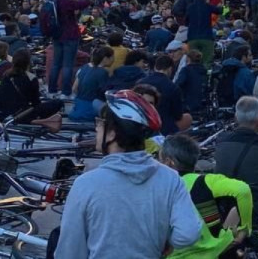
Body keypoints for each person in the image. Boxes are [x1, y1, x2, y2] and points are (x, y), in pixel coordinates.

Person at [55, 90, 202, 259]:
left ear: (112, 133)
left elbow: (69, 251)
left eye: (100, 123)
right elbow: (188, 234)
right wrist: (165, 239)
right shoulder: (170, 178)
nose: (96, 127)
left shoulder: (86, 184)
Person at [161, 134, 253, 259]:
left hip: (174, 255)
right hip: (214, 251)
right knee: (234, 212)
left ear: (168, 162)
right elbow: (243, 190)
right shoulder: (207, 181)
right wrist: (244, 229)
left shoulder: (158, 188)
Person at [47, 0, 93, 99]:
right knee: (67, 65)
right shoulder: (65, 1)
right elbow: (85, 3)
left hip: (57, 35)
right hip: (70, 35)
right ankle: (65, 93)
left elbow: (71, 0)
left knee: (56, 64)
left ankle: (51, 90)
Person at [0, 48, 63, 122]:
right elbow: (35, 102)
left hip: (6, 114)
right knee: (58, 102)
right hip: (23, 115)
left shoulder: (6, 75)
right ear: (28, 62)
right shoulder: (31, 78)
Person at [138, 53, 192, 135]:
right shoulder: (173, 87)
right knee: (188, 118)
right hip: (164, 127)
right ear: (170, 69)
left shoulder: (140, 83)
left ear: (155, 67)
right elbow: (178, 115)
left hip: (142, 123)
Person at [70, 46, 113, 122]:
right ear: (105, 58)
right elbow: (105, 94)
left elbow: (74, 89)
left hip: (78, 108)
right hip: (91, 110)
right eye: (112, 57)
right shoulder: (103, 72)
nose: (113, 60)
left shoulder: (85, 67)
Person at [185, 0, 222, 67]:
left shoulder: (190, 7)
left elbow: (186, 21)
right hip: (206, 37)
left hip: (192, 38)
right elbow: (220, 11)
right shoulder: (208, 6)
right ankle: (205, 77)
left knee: (192, 62)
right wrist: (226, 7)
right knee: (207, 62)